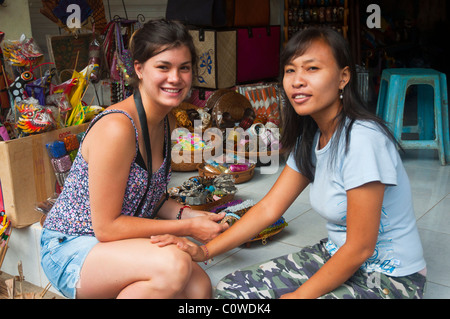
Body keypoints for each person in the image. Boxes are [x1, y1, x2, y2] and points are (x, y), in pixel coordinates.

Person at [150, 27, 427, 299]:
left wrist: (300, 296)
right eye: (290, 70)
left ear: (343, 77)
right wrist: (205, 251)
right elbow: (268, 209)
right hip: (333, 254)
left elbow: (360, 248)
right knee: (232, 290)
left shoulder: (363, 140)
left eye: (312, 69)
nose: (297, 81)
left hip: (389, 278)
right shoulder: (312, 136)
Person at [40, 19, 228, 299]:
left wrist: (191, 215)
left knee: (199, 288)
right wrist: (188, 227)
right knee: (173, 266)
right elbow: (106, 227)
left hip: (117, 242)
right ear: (139, 69)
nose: (175, 78)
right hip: (72, 245)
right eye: (163, 67)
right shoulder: (118, 128)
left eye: (184, 68)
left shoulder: (166, 123)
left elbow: (152, 197)